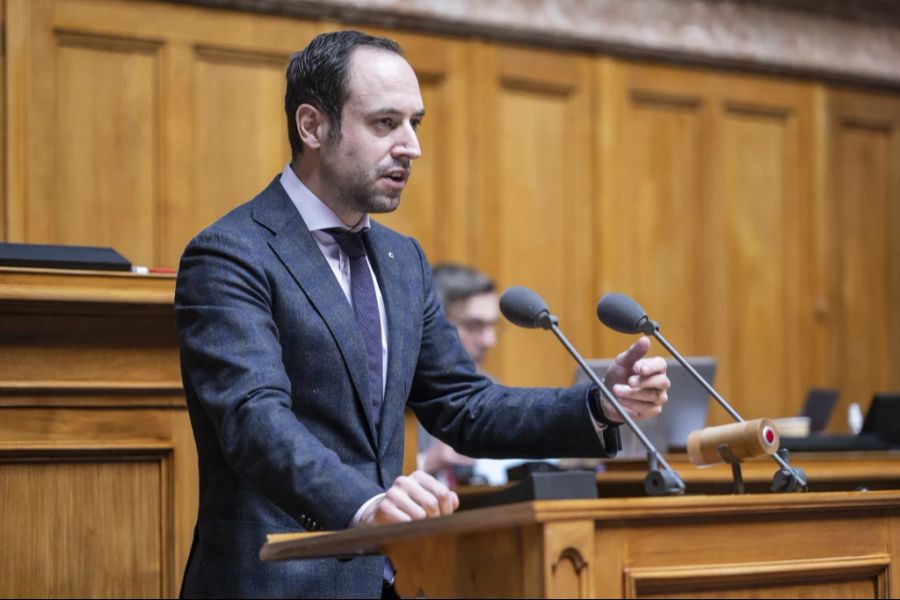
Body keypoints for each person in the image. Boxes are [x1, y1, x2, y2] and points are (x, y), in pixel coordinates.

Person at [175, 30, 670, 599]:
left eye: (416, 123)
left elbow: (465, 403)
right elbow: (254, 420)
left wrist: (599, 406)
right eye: (386, 123)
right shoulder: (231, 252)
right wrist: (364, 505)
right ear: (312, 127)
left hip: (387, 582)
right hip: (273, 582)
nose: (411, 146)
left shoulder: (402, 260)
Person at [418, 264, 499, 484]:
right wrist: (426, 464)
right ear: (434, 322)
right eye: (474, 325)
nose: (489, 341)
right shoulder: (401, 386)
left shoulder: (489, 385)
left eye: (493, 326)